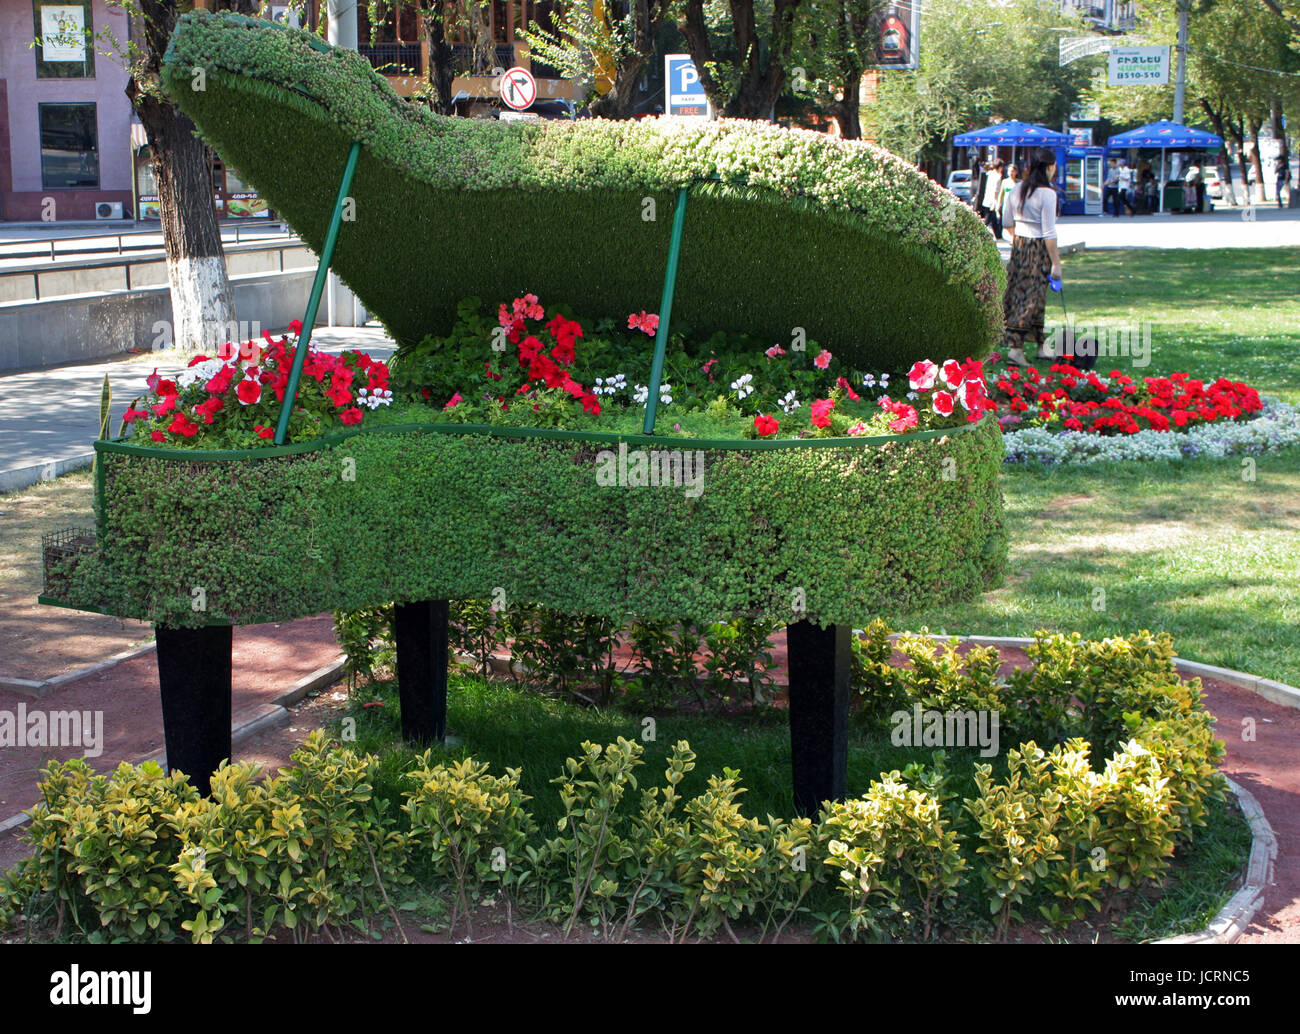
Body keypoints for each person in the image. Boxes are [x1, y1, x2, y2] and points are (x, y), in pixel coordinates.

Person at [1000, 147, 1063, 368]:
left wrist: (1019, 240)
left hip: (1019, 247)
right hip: (1038, 250)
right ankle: (1015, 349)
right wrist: (1056, 262)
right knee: (1030, 298)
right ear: (1049, 167)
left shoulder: (1016, 189)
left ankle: (1041, 346)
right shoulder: (1048, 194)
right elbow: (1049, 232)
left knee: (1025, 295)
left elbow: (1006, 223)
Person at [981, 159, 1005, 237]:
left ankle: (998, 234)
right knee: (988, 219)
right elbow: (996, 190)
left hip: (987, 199)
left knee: (992, 219)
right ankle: (982, 233)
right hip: (993, 201)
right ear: (1000, 167)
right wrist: (996, 202)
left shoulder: (989, 174)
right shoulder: (998, 177)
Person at [999, 165, 1018, 237]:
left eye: (1012, 171)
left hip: (1016, 206)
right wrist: (998, 204)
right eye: (1009, 171)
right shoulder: (1004, 181)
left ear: (1016, 172)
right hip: (1006, 205)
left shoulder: (1019, 182)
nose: (1010, 173)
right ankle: (1013, 237)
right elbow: (1001, 194)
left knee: (1015, 223)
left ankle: (1014, 238)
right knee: (1007, 224)